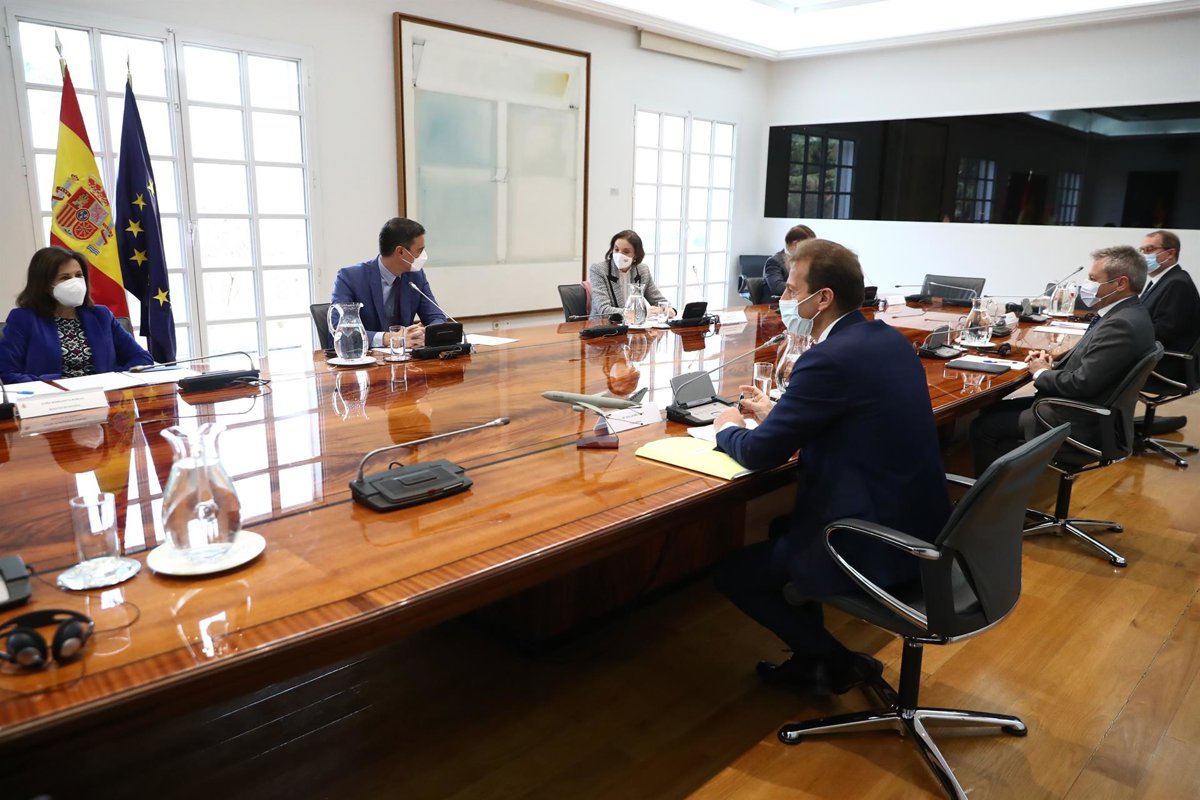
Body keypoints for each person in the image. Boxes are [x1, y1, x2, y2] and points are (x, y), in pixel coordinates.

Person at [712, 239, 951, 696]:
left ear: (822, 298)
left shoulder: (826, 358)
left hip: (872, 541)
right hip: (919, 526)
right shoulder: (887, 339)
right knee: (783, 527)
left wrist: (727, 428)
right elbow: (849, 417)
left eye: (791, 289)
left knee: (734, 573)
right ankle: (812, 664)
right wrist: (778, 413)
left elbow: (761, 453)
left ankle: (840, 663)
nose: (783, 299)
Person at [970, 245, 1155, 477]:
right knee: (990, 409)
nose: (1086, 285)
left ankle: (990, 498)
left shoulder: (1121, 324)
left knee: (983, 427)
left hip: (1079, 422)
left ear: (1120, 283)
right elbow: (1094, 369)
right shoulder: (1129, 313)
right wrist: (1050, 367)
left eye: (1093, 279)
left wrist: (1041, 373)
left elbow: (1082, 384)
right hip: (1090, 411)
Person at [0, 246, 152, 384]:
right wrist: (57, 384)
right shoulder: (23, 319)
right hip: (53, 399)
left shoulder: (101, 315)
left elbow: (142, 358)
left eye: (79, 275)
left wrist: (111, 378)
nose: (75, 282)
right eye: (65, 278)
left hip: (104, 395)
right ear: (45, 285)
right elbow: (6, 373)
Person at [330, 217, 446, 351]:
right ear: (400, 252)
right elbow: (340, 331)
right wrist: (390, 338)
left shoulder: (416, 276)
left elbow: (436, 317)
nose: (423, 256)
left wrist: (424, 334)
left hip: (405, 359)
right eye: (419, 251)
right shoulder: (349, 278)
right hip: (363, 359)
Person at [1138, 230, 1199, 387]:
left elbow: (1163, 332)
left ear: (1170, 253)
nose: (1143, 256)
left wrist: (1123, 337)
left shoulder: (1177, 283)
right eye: (1142, 251)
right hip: (1151, 358)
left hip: (1164, 365)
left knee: (1100, 364)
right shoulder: (1162, 281)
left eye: (1149, 250)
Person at [588, 230, 673, 319]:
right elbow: (604, 310)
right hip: (603, 324)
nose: (619, 255)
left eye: (626, 251)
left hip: (634, 324)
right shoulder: (598, 270)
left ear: (636, 255)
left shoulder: (642, 270)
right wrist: (640, 313)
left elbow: (658, 300)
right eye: (616, 250)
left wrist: (668, 310)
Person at [763, 224, 816, 299]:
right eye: (808, 246)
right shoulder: (774, 261)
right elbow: (777, 288)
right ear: (795, 244)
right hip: (776, 303)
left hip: (798, 301)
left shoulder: (804, 261)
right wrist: (805, 287)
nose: (811, 250)